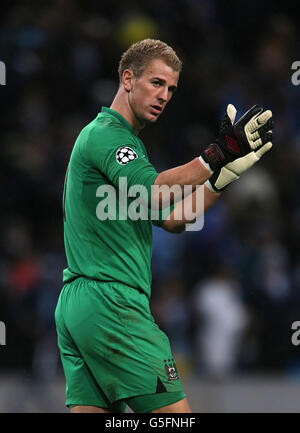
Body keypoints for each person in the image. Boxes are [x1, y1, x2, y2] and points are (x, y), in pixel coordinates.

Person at [54, 38, 273, 413]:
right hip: (113, 303)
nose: (165, 95)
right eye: (156, 83)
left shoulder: (118, 146)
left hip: (79, 304)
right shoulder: (109, 137)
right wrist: (215, 154)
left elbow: (173, 219)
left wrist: (218, 180)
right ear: (128, 79)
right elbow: (155, 193)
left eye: (171, 88)